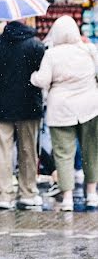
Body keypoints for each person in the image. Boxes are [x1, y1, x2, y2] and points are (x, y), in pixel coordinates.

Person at [30, 15, 98, 211]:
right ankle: (92, 194)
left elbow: (42, 80)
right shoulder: (89, 50)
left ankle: (67, 197)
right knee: (91, 151)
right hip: (90, 107)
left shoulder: (52, 54)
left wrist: (33, 77)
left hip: (60, 109)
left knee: (63, 153)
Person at [0, 16, 46, 210]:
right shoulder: (35, 45)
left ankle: (4, 195)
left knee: (2, 152)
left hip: (0, 106)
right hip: (29, 107)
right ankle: (27, 192)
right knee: (28, 151)